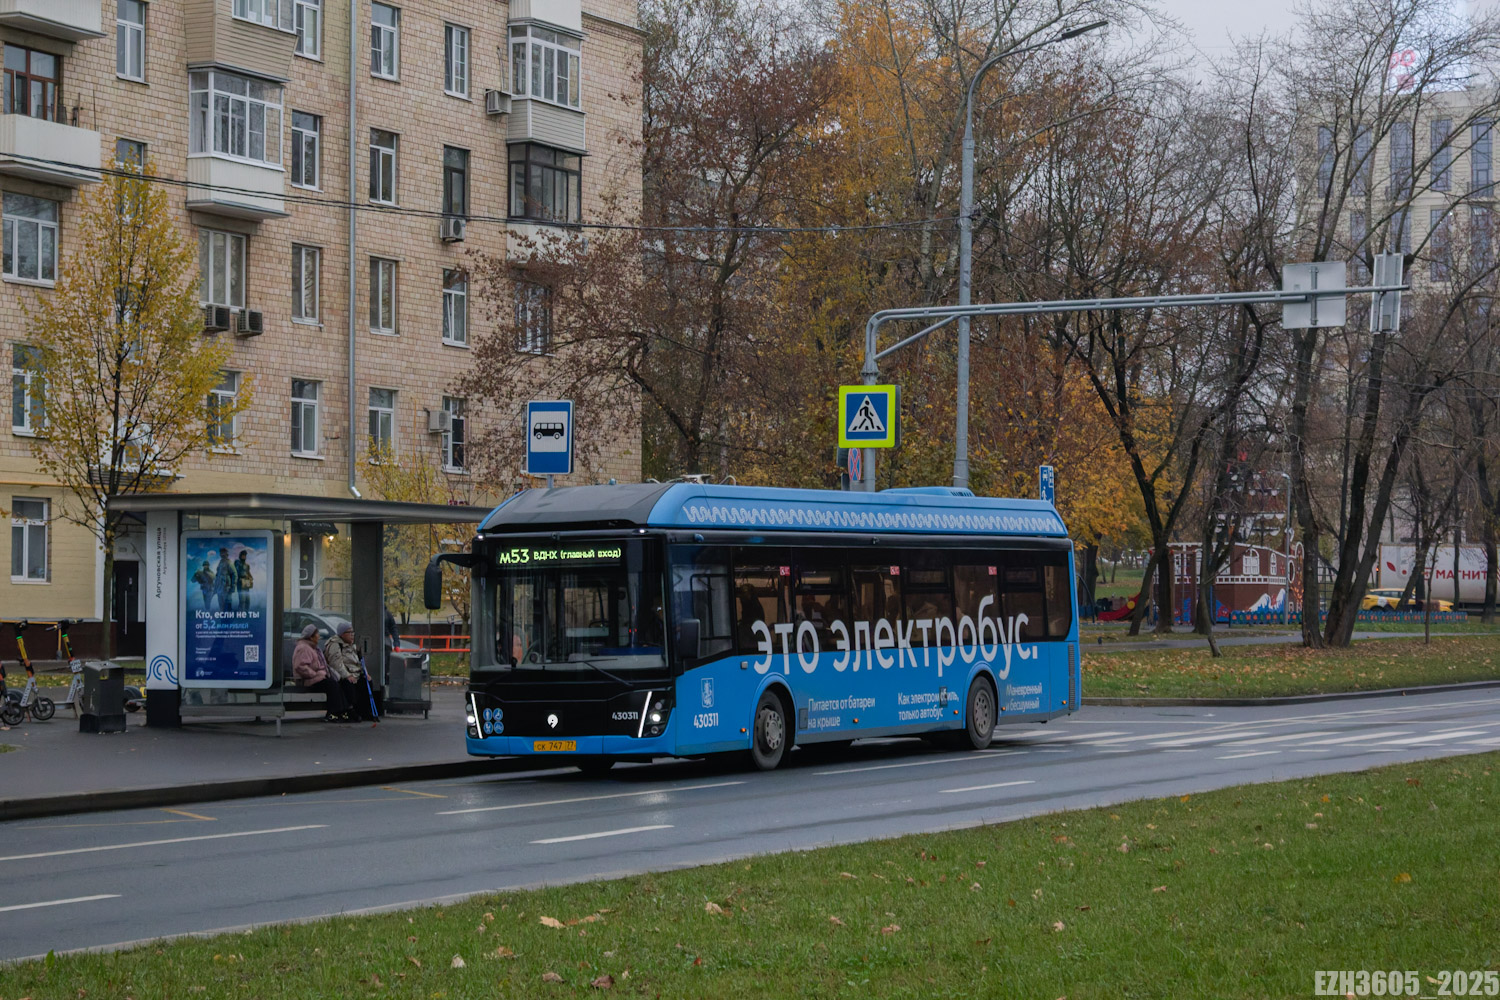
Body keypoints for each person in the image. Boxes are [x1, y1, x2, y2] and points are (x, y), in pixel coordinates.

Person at [291, 623, 349, 722]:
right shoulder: (303, 648)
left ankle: (342, 711)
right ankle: (333, 713)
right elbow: (300, 666)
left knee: (336, 684)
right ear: (311, 637)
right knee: (332, 685)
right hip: (307, 679)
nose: (319, 636)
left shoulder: (312, 647)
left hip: (316, 678)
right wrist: (314, 674)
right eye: (317, 634)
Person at [323, 621, 371, 722]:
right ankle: (350, 711)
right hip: (343, 675)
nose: (352, 634)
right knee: (349, 683)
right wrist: (347, 675)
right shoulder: (335, 645)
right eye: (349, 632)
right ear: (342, 634)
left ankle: (364, 711)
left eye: (353, 632)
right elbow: (337, 664)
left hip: (355, 673)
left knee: (367, 682)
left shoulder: (352, 646)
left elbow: (359, 662)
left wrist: (365, 673)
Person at [212, 547, 235, 612]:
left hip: (226, 588)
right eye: (221, 553)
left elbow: (234, 574)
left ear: (226, 553)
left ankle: (229, 620)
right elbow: (217, 576)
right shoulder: (220, 563)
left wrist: (232, 587)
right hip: (219, 588)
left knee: (227, 606)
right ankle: (223, 620)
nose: (222, 554)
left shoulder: (229, 563)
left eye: (223, 552)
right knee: (221, 607)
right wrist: (215, 589)